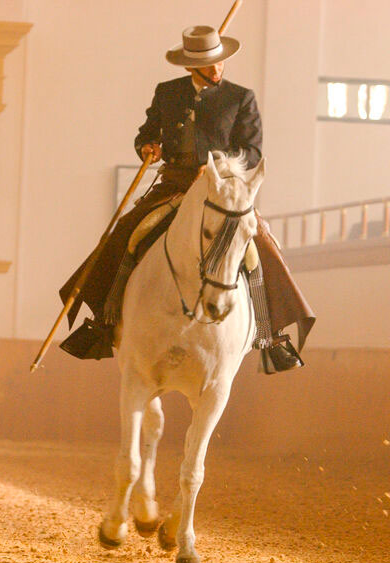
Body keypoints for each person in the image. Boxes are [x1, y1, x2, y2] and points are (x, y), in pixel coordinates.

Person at [60, 25, 314, 373]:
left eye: (219, 62)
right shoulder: (167, 93)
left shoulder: (241, 97)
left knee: (259, 245)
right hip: (174, 185)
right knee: (127, 233)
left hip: (220, 189)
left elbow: (251, 151)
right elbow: (148, 131)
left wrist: (218, 168)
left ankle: (271, 336)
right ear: (188, 67)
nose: (217, 69)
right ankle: (102, 322)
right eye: (209, 65)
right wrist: (147, 146)